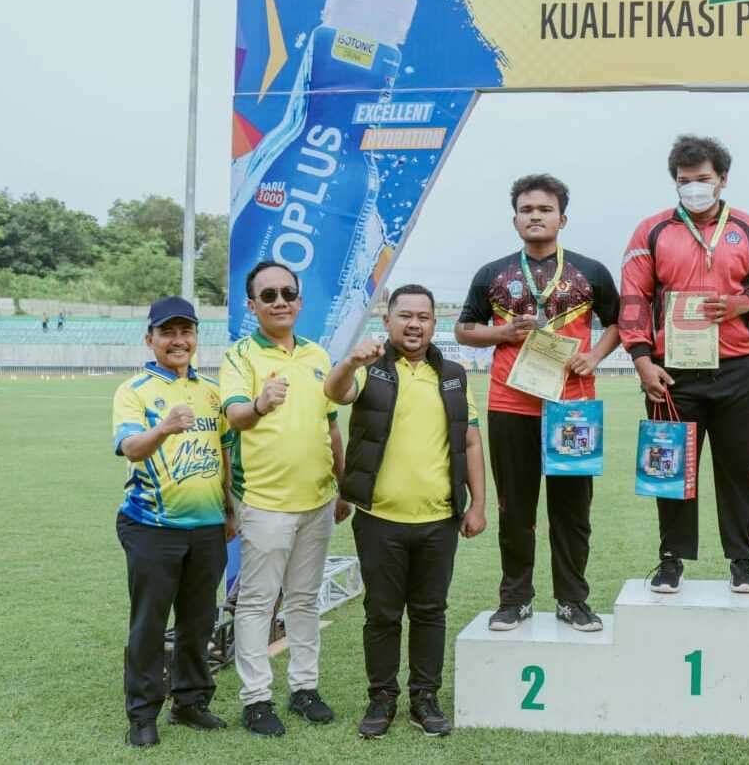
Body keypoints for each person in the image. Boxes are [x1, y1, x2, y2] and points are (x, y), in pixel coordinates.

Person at [620, 135, 749, 594]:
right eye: (684, 181)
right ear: (674, 183)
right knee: (669, 466)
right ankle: (671, 559)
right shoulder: (651, 230)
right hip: (671, 373)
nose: (693, 188)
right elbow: (634, 298)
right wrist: (641, 359)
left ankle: (742, 559)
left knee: (738, 469)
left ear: (722, 180)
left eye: (703, 179)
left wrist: (744, 302)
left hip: (736, 369)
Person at [456, 174, 621, 632]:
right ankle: (515, 599)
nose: (535, 216)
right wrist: (502, 333)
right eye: (527, 210)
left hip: (573, 406)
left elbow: (619, 323)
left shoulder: (591, 271)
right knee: (515, 507)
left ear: (562, 218)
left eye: (544, 210)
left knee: (572, 511)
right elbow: (464, 329)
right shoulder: (493, 274)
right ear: (515, 219)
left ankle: (572, 600)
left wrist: (594, 356)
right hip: (511, 404)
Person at [326, 283, 488, 739]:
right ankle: (381, 698)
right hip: (380, 520)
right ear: (388, 320)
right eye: (405, 316)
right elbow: (335, 393)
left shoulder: (453, 374)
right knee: (381, 613)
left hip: (439, 520)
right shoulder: (369, 368)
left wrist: (479, 504)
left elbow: (472, 440)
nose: (414, 324)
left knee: (430, 611)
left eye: (423, 317)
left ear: (434, 324)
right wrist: (348, 362)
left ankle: (424, 697)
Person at [220, 261, 350, 737]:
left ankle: (304, 688)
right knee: (257, 604)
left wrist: (343, 486)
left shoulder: (318, 354)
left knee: (303, 600)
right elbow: (234, 416)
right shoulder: (239, 357)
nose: (279, 302)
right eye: (268, 295)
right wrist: (259, 402)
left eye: (287, 293)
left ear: (299, 300)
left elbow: (332, 426)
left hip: (318, 502)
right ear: (252, 305)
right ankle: (256, 699)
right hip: (266, 503)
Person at [112, 296, 234, 747]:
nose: (178, 340)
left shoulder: (211, 391)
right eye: (168, 332)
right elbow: (129, 448)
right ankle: (142, 714)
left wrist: (229, 508)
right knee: (148, 624)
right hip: (151, 527)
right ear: (151, 339)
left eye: (186, 332)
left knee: (199, 621)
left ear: (196, 337)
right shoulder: (135, 390)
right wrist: (163, 428)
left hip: (207, 528)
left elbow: (223, 451)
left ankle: (191, 701)